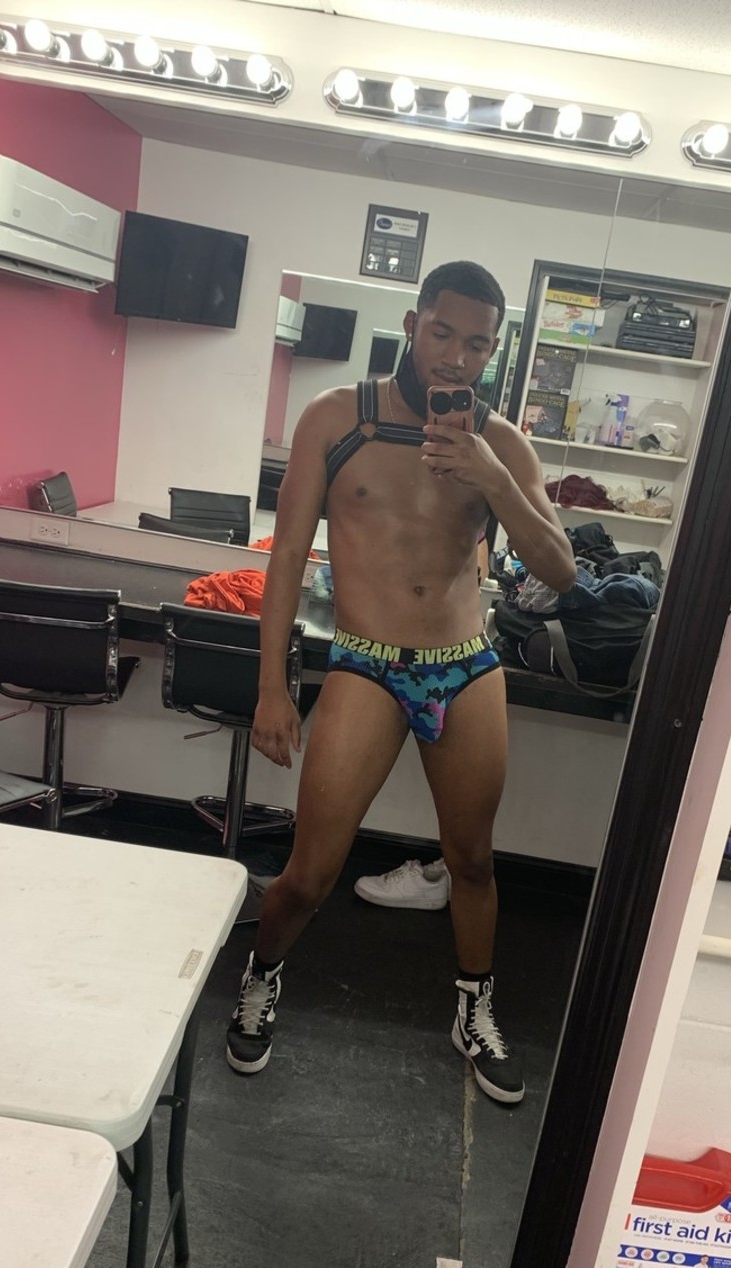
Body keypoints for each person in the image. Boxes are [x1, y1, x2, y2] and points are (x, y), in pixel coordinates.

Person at [227, 260, 576, 1104]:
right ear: (415, 325)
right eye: (443, 333)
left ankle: (473, 1012)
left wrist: (492, 479)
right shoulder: (335, 417)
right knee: (311, 872)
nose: (457, 357)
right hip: (367, 663)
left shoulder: (504, 444)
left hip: (466, 666)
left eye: (477, 345)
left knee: (473, 862)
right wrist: (273, 686)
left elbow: (560, 570)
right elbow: (285, 557)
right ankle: (261, 977)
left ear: (495, 350)